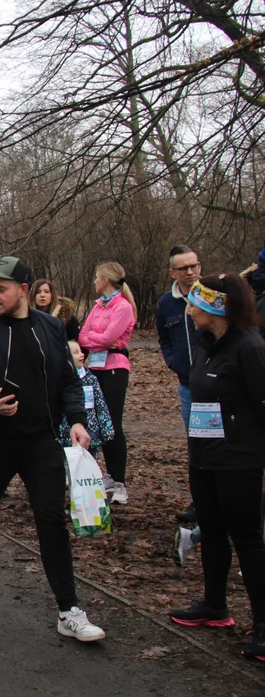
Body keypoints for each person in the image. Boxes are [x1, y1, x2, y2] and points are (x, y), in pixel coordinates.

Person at [0, 256, 104, 642]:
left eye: (1, 288)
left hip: (41, 441)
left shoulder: (51, 328)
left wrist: (78, 420)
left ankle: (68, 610)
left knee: (50, 520)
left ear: (23, 290)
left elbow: (69, 381)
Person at [167, 274, 265, 660]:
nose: (188, 311)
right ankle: (214, 605)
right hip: (204, 458)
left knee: (248, 540)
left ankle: (262, 624)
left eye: (195, 305)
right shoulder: (206, 346)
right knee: (211, 530)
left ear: (217, 308)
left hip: (238, 462)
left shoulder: (250, 348)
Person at [77, 261, 137, 505]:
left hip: (114, 370)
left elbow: (112, 338)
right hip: (96, 368)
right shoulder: (98, 307)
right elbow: (83, 335)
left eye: (96, 277)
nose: (94, 281)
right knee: (95, 421)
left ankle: (119, 479)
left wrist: (101, 340)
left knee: (112, 422)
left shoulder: (123, 307)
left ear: (107, 280)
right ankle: (107, 475)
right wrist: (100, 340)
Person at [157, 246, 203, 431]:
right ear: (172, 273)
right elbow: (164, 339)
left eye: (194, 266)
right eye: (183, 268)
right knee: (194, 438)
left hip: (219, 382)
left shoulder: (214, 296)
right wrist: (173, 361)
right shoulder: (166, 304)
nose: (190, 272)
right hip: (187, 384)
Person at [60, 340, 115, 453]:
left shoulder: (91, 379)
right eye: (76, 352)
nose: (82, 355)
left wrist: (106, 430)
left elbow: (101, 406)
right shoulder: (60, 381)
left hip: (91, 435)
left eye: (80, 351)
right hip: (66, 437)